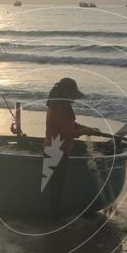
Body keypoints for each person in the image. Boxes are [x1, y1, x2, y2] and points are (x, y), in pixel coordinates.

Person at [44, 78, 100, 218]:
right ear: (66, 92)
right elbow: (68, 133)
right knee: (56, 186)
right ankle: (54, 218)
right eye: (72, 95)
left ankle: (54, 215)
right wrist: (86, 131)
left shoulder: (60, 105)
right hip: (55, 151)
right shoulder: (59, 109)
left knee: (56, 185)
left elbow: (71, 125)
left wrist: (86, 128)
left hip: (56, 150)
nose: (74, 99)